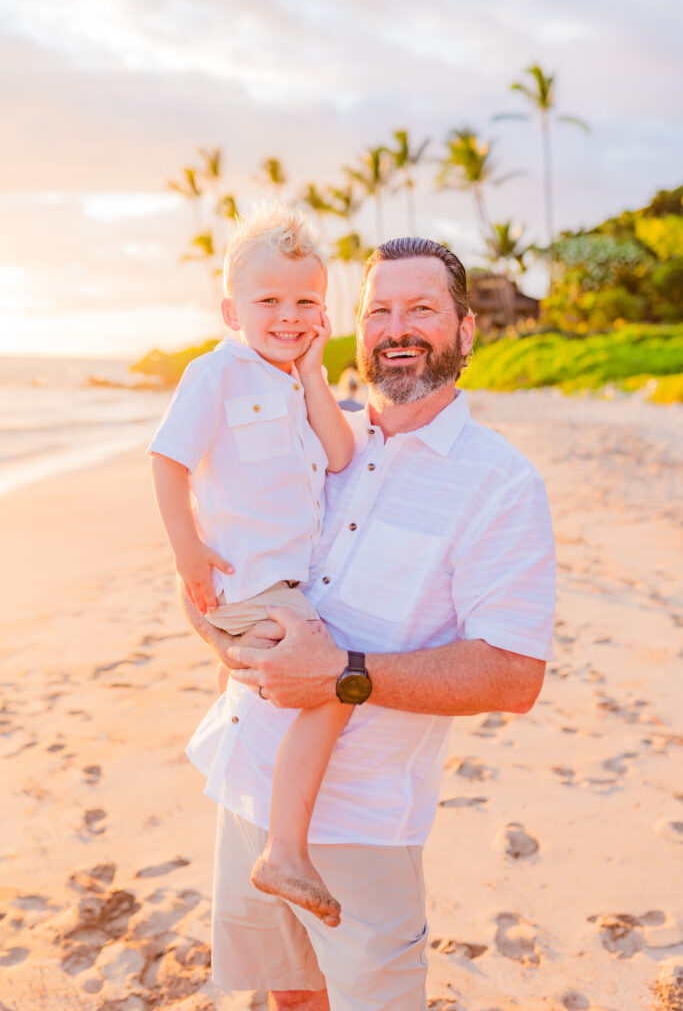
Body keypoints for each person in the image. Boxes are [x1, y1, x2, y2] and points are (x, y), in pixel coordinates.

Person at [182, 237, 556, 1011]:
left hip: (365, 824)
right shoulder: (308, 436)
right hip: (245, 780)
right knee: (287, 997)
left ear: (465, 329)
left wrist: (345, 673)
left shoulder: (500, 484)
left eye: (421, 309)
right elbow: (233, 541)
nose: (397, 327)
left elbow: (515, 675)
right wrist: (206, 605)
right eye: (378, 310)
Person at [149, 205, 357, 930]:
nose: (289, 315)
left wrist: (315, 375)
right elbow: (168, 459)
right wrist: (186, 548)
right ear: (231, 310)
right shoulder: (216, 374)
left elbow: (338, 456)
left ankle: (243, 777)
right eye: (269, 301)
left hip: (286, 583)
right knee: (333, 681)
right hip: (248, 581)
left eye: (306, 302)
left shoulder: (298, 381)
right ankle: (286, 853)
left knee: (253, 699)